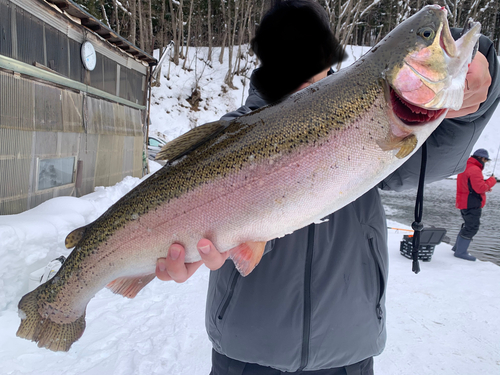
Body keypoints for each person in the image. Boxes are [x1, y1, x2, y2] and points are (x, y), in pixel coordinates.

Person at [156, 1, 500, 374]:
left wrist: (478, 79)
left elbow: (441, 154)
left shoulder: (377, 114)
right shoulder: (233, 133)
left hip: (347, 355)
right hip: (243, 355)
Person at [452, 149, 497, 261]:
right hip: (471, 203)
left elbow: (472, 186)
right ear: (481, 158)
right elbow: (479, 188)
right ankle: (460, 252)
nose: (485, 163)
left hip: (464, 202)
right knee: (472, 227)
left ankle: (457, 248)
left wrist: (486, 187)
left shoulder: (466, 166)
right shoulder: (474, 169)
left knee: (468, 224)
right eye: (485, 160)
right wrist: (492, 181)